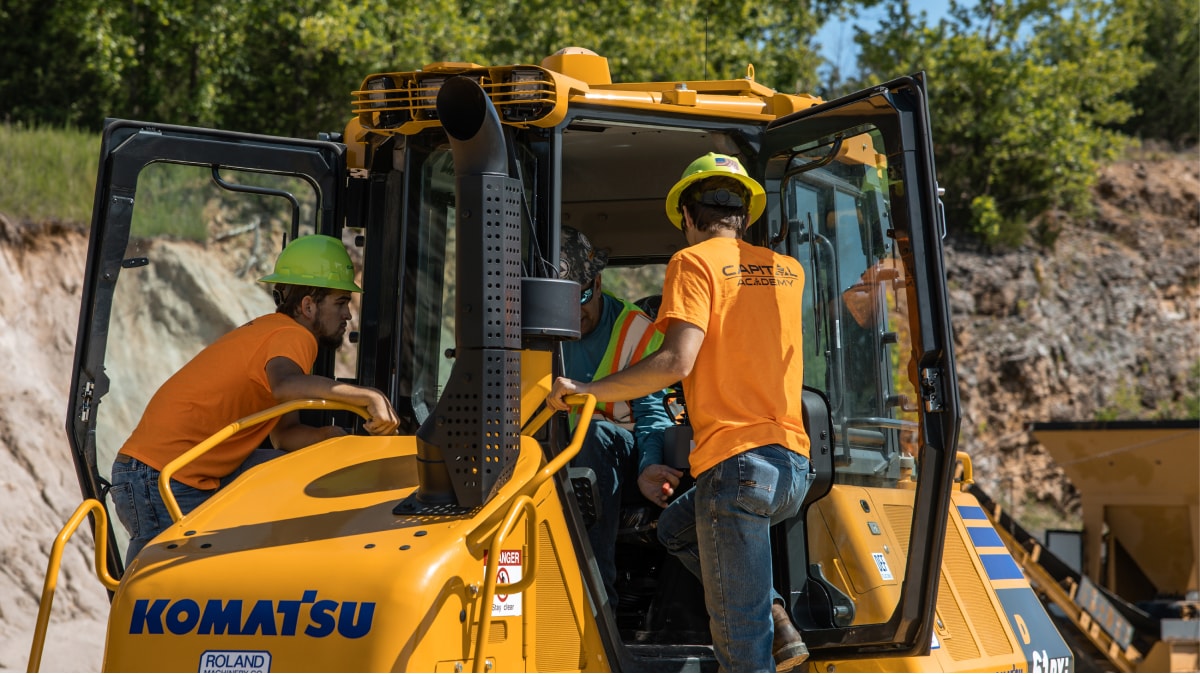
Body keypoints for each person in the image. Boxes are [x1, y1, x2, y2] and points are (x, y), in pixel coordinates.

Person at [548, 154, 811, 672]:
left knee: (744, 655)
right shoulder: (789, 271)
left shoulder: (691, 263)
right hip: (791, 468)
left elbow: (675, 361)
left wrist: (586, 389)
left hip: (736, 467)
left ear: (687, 218)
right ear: (746, 215)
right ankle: (776, 610)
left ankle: (761, 621)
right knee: (674, 530)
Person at [110, 234, 400, 561]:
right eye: (341, 302)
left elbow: (285, 434)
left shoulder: (272, 335)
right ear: (308, 306)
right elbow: (285, 386)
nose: (348, 315)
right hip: (162, 478)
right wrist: (365, 396)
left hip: (161, 472)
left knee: (283, 470)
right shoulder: (294, 336)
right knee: (161, 595)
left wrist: (335, 438)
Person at [557, 225, 682, 603]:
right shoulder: (520, 332)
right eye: (555, 303)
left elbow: (652, 412)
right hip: (548, 457)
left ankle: (595, 600)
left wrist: (649, 466)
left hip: (617, 460)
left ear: (596, 283)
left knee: (594, 435)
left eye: (577, 298)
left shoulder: (635, 331)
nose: (569, 315)